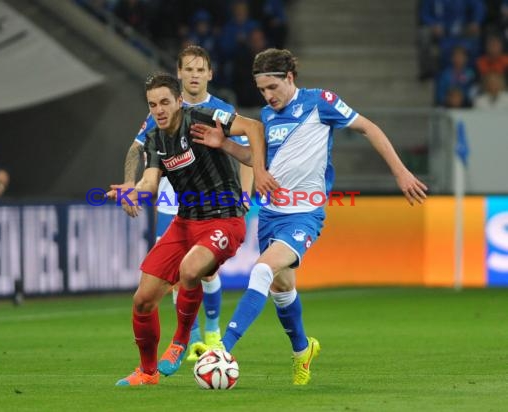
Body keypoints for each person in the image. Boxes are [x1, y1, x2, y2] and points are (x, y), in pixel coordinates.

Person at [190, 48, 428, 385]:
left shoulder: (321, 102)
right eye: (261, 90)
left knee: (260, 270)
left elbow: (370, 128)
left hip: (304, 215)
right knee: (281, 287)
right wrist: (224, 144)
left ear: (289, 78)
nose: (268, 96)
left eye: (272, 87)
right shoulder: (267, 116)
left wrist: (400, 172)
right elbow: (257, 160)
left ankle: (223, 349)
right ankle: (303, 350)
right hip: (271, 214)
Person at [107, 72, 274, 386]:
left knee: (190, 269)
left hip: (225, 219)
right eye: (153, 104)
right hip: (185, 222)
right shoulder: (156, 138)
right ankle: (148, 372)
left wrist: (259, 170)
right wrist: (134, 192)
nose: (159, 109)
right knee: (142, 300)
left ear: (179, 101)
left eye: (165, 102)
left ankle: (181, 341)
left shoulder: (203, 117)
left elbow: (254, 127)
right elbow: (152, 181)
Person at [122, 45, 253, 364]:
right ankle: (190, 338)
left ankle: (209, 331)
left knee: (202, 271)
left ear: (209, 74)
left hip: (215, 206)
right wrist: (131, 185)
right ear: (179, 75)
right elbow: (136, 150)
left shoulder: (219, 110)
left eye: (200, 69)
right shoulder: (159, 114)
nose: (194, 75)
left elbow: (247, 152)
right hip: (172, 200)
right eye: (188, 70)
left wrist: (246, 196)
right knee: (173, 276)